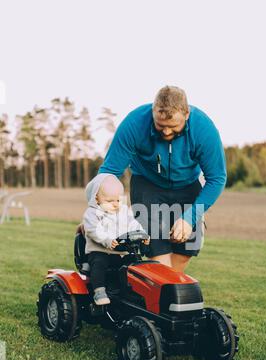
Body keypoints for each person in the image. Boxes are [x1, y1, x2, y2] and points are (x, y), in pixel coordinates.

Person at [98, 85, 227, 273]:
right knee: (157, 252)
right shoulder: (134, 124)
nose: (166, 132)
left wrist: (190, 217)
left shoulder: (204, 130)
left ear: (187, 114)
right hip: (147, 184)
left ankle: (161, 294)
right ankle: (163, 298)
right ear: (153, 112)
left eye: (173, 127)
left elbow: (217, 178)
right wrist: (97, 211)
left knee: (185, 250)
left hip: (188, 185)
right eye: (160, 125)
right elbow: (109, 172)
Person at [83, 173, 149, 305]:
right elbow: (93, 230)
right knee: (99, 262)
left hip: (120, 253)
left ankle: (131, 291)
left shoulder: (124, 211)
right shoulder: (92, 213)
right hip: (100, 251)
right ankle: (99, 291)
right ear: (96, 198)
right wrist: (107, 240)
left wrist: (142, 234)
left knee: (135, 263)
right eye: (110, 201)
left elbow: (133, 224)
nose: (115, 204)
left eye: (118, 200)